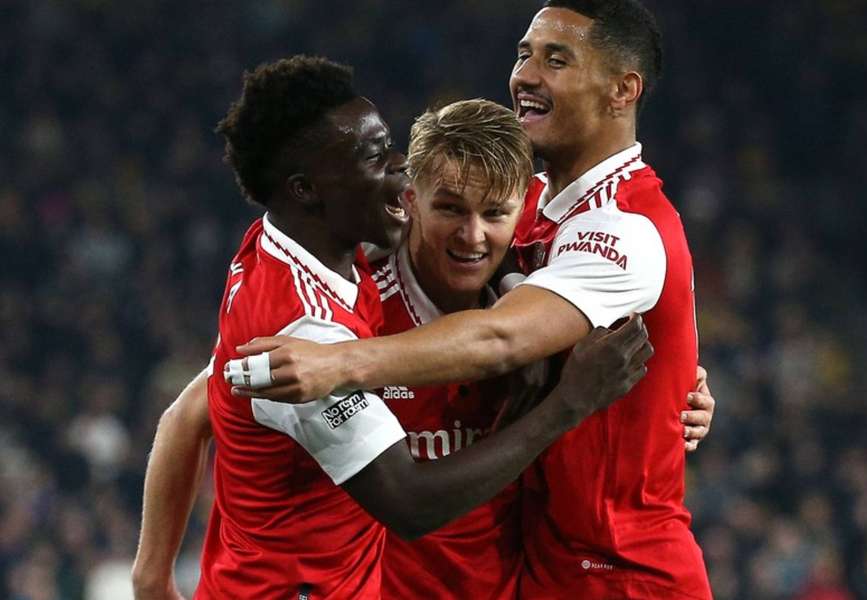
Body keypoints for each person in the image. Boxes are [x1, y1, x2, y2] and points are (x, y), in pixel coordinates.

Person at [235, 1, 713, 597]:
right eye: (524, 54)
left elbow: (500, 338)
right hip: (540, 568)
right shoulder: (531, 205)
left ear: (622, 89)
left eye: (556, 60)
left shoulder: (623, 226)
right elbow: (219, 388)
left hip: (622, 573)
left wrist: (340, 364)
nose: (527, 75)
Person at [132, 54, 654, 599]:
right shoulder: (310, 335)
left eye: (495, 214)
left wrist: (514, 289)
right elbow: (408, 501)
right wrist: (566, 403)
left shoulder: (308, 251)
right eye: (375, 156)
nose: (397, 169)